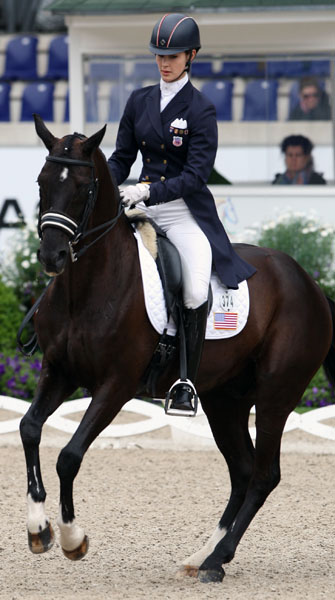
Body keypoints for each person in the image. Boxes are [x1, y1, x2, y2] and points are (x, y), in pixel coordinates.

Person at [107, 13, 256, 414]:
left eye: (172, 55)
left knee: (192, 289)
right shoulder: (139, 100)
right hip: (139, 206)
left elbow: (195, 176)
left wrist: (147, 190)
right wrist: (102, 186)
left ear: (190, 56)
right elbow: (121, 157)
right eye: (159, 55)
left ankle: (185, 380)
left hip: (182, 210)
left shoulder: (201, 109)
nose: (164, 62)